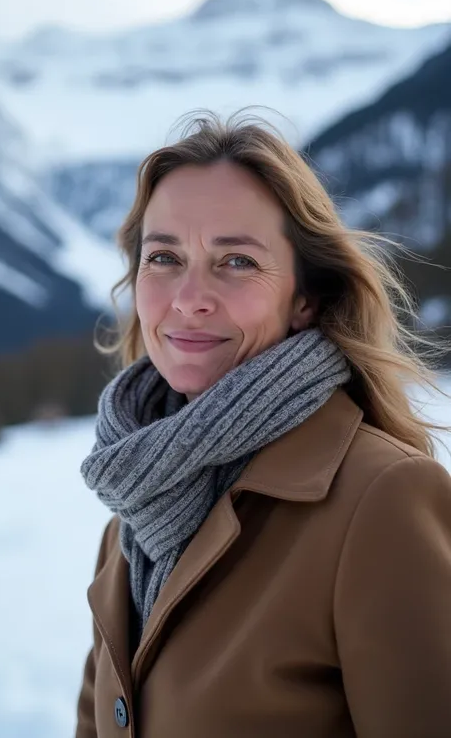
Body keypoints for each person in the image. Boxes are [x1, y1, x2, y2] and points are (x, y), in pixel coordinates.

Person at [75, 111, 451, 738]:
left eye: (238, 262)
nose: (189, 296)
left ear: (306, 298)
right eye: (164, 256)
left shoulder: (383, 501)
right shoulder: (134, 505)